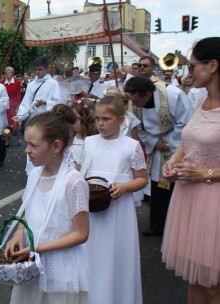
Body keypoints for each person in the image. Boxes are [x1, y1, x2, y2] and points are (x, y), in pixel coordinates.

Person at [5, 111, 90, 303]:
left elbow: (81, 233)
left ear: (56, 146)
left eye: (33, 145)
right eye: (27, 143)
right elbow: (30, 210)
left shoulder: (74, 183)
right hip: (33, 262)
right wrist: (19, 233)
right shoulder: (35, 175)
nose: (26, 149)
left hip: (60, 266)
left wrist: (38, 248)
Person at [161, 37, 220, 303]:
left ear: (213, 66)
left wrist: (205, 174)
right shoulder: (201, 101)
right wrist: (174, 160)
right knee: (195, 279)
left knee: (213, 285)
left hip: (214, 200)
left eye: (193, 66)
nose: (188, 73)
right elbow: (188, 140)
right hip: (189, 198)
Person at [77, 95, 148, 304]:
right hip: (92, 209)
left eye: (106, 119)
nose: (100, 123)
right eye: (97, 118)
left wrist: (125, 187)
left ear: (120, 119)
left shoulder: (131, 146)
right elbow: (79, 172)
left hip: (119, 210)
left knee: (115, 257)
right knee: (92, 255)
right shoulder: (89, 143)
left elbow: (142, 178)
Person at [124, 76, 192, 237]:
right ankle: (157, 225)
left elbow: (187, 122)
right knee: (157, 189)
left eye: (137, 101)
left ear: (147, 94)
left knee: (175, 188)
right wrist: (154, 142)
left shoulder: (173, 95)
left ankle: (176, 228)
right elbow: (138, 128)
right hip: (156, 149)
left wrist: (168, 142)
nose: (134, 105)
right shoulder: (135, 103)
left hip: (176, 148)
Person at [13, 57, 63, 173]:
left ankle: (46, 171)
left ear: (47, 69)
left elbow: (59, 103)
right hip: (33, 122)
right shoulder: (31, 84)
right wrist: (19, 116)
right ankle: (32, 173)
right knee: (32, 147)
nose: (37, 72)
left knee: (43, 148)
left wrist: (46, 103)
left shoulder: (53, 84)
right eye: (35, 70)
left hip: (47, 122)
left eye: (40, 69)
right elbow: (26, 104)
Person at [68, 98, 96, 166]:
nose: (73, 122)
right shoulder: (70, 137)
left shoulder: (92, 141)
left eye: (77, 118)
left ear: (86, 119)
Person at [2, 67, 22, 146]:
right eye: (6, 72)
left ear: (13, 73)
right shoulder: (2, 83)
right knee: (6, 124)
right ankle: (7, 140)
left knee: (15, 124)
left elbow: (18, 95)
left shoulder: (17, 82)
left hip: (14, 107)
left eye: (10, 72)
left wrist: (17, 107)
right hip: (5, 107)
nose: (8, 73)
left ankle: (18, 138)